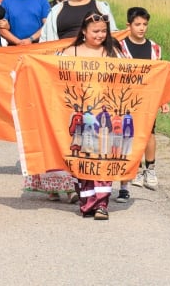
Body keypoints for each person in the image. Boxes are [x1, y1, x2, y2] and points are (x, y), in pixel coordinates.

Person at [61, 12, 123, 220]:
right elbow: (52, 76)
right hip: (80, 116)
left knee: (103, 158)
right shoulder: (70, 52)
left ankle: (102, 204)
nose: (100, 35)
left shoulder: (113, 53)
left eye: (104, 31)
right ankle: (87, 202)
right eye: (95, 31)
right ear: (84, 31)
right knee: (82, 159)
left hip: (106, 115)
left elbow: (133, 77)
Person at [118, 7, 170, 200]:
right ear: (128, 26)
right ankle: (131, 174)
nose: (141, 28)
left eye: (144, 25)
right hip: (126, 98)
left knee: (149, 132)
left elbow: (160, 76)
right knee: (128, 134)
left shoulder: (154, 48)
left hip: (148, 98)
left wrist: (163, 99)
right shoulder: (119, 47)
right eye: (137, 24)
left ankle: (150, 169)